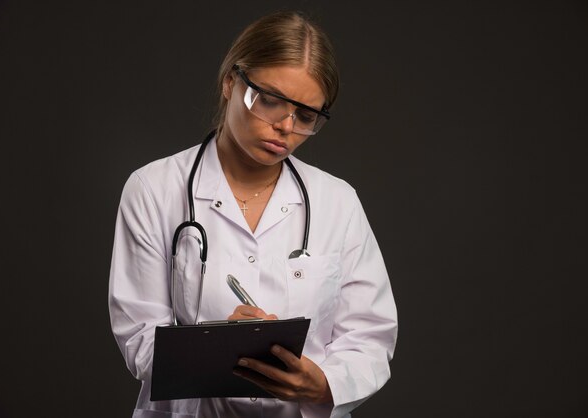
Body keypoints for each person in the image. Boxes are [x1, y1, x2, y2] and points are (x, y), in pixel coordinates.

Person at [109, 10, 397, 418]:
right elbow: (139, 340)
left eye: (306, 115)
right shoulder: (154, 189)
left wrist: (323, 382)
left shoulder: (338, 202)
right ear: (231, 82)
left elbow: (371, 336)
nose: (286, 126)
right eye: (271, 100)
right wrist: (224, 349)